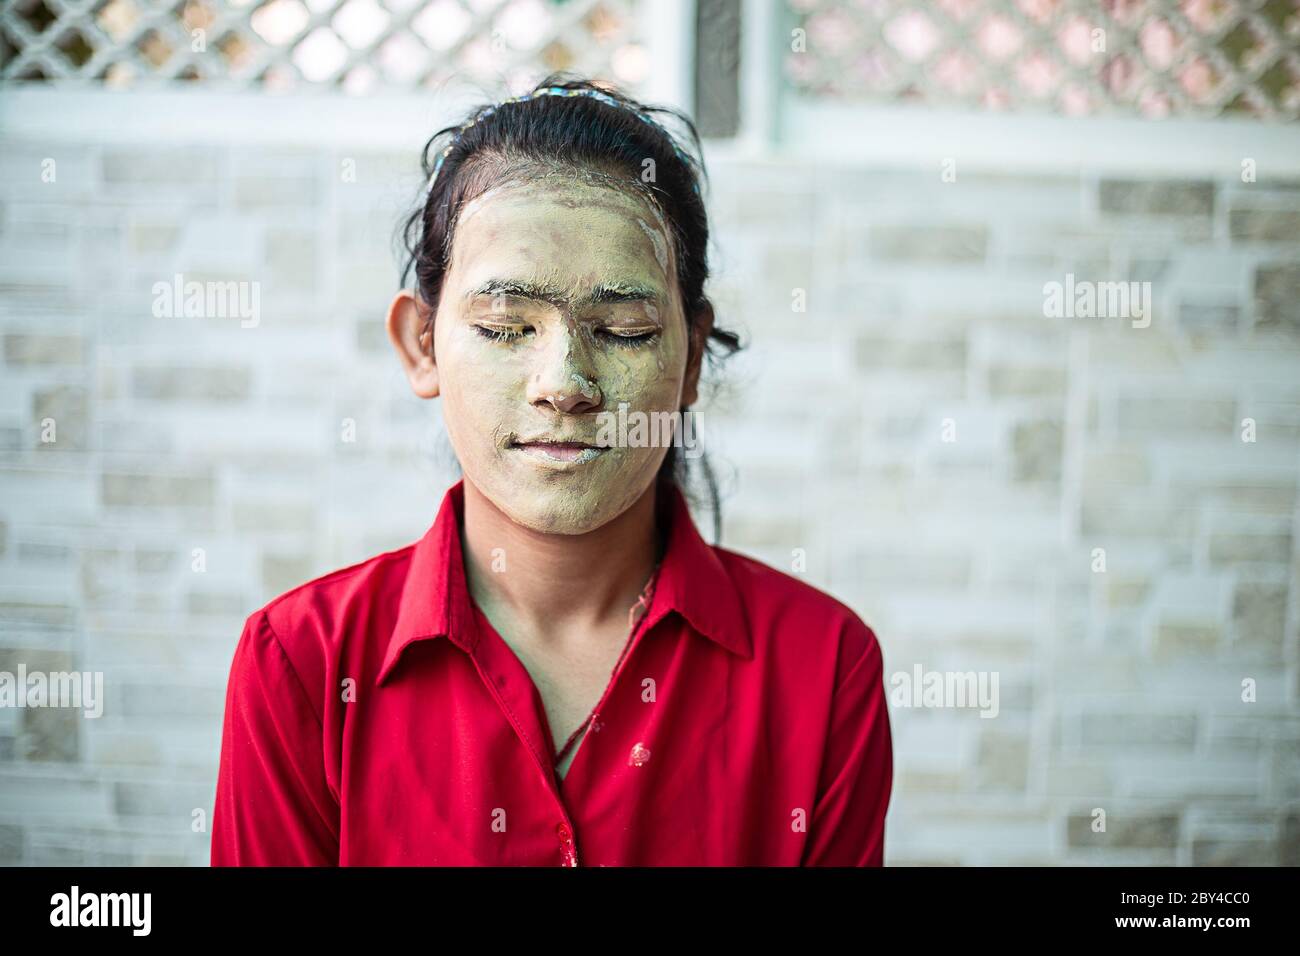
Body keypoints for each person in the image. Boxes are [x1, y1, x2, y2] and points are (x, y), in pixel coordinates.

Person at [211, 74, 892, 866]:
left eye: (626, 329)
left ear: (692, 356)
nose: (564, 383)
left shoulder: (823, 669)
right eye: (506, 326)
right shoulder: (302, 666)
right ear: (423, 345)